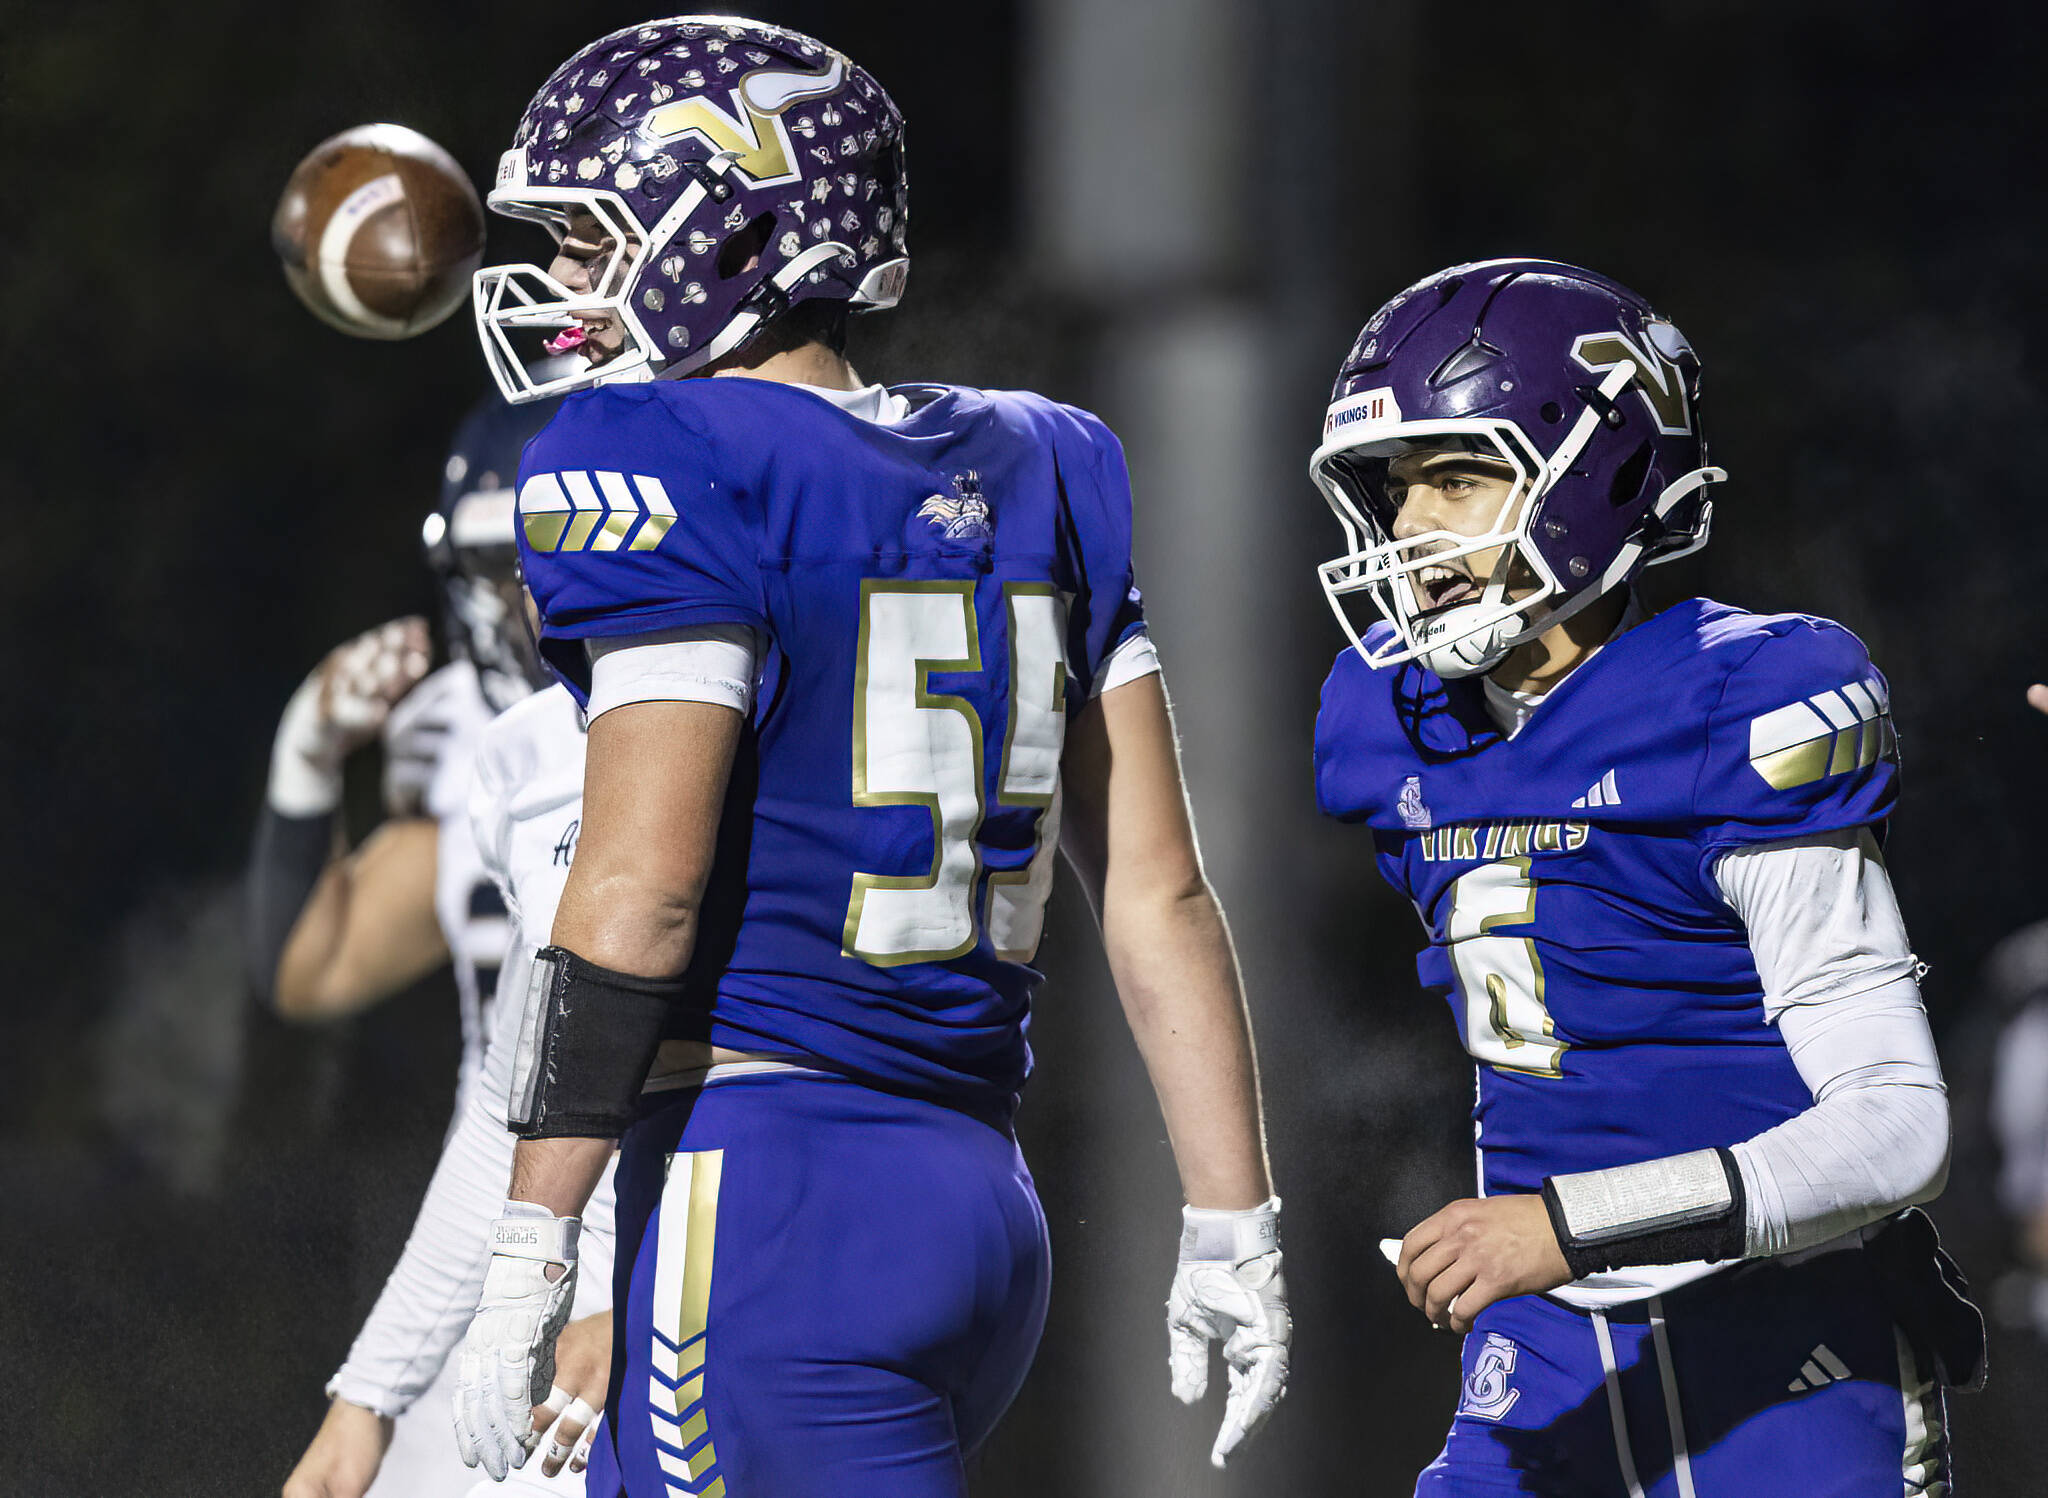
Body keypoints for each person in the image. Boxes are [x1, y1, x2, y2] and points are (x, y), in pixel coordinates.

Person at [451, 18, 1287, 1496]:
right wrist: (1234, 1216)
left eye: (594, 241)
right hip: (973, 1201)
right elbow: (1156, 893)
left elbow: (639, 887)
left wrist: (536, 1243)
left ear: (725, 229)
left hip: (765, 1189)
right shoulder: (1049, 458)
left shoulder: (657, 455)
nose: (568, 284)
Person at [1309, 258, 1982, 1494]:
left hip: (1781, 1344)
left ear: (1595, 473)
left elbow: (1897, 1127)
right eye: (1395, 486)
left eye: (1454, 477)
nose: (1407, 527)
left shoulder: (1740, 697)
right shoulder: (1383, 718)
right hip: (1546, 1341)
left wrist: (1563, 1222)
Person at [257, 400, 568, 1498]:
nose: (517, 604)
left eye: (538, 560)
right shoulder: (468, 751)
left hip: (680, 1219)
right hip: (495, 1233)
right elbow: (315, 967)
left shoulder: (678, 711)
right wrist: (308, 756)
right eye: (492, 568)